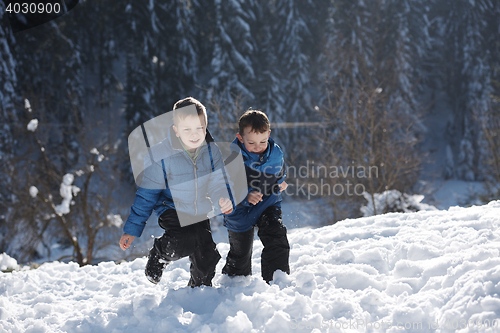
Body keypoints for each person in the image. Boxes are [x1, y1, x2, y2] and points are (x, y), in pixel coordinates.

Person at [119, 97, 233, 287]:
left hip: (199, 208)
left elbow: (218, 181)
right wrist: (132, 229)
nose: (195, 134)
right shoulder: (160, 154)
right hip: (171, 207)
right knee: (185, 240)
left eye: (200, 128)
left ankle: (199, 289)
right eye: (187, 129)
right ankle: (159, 253)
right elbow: (147, 195)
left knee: (207, 255)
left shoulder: (211, 151)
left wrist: (222, 197)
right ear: (176, 130)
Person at [222, 109, 290, 283]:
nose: (258, 147)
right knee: (240, 254)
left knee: (276, 234)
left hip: (267, 203)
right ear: (240, 138)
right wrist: (245, 197)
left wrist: (280, 182)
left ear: (269, 134)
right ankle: (234, 284)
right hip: (240, 211)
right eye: (251, 143)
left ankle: (276, 280)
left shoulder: (275, 153)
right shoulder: (233, 160)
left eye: (263, 141)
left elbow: (280, 170)